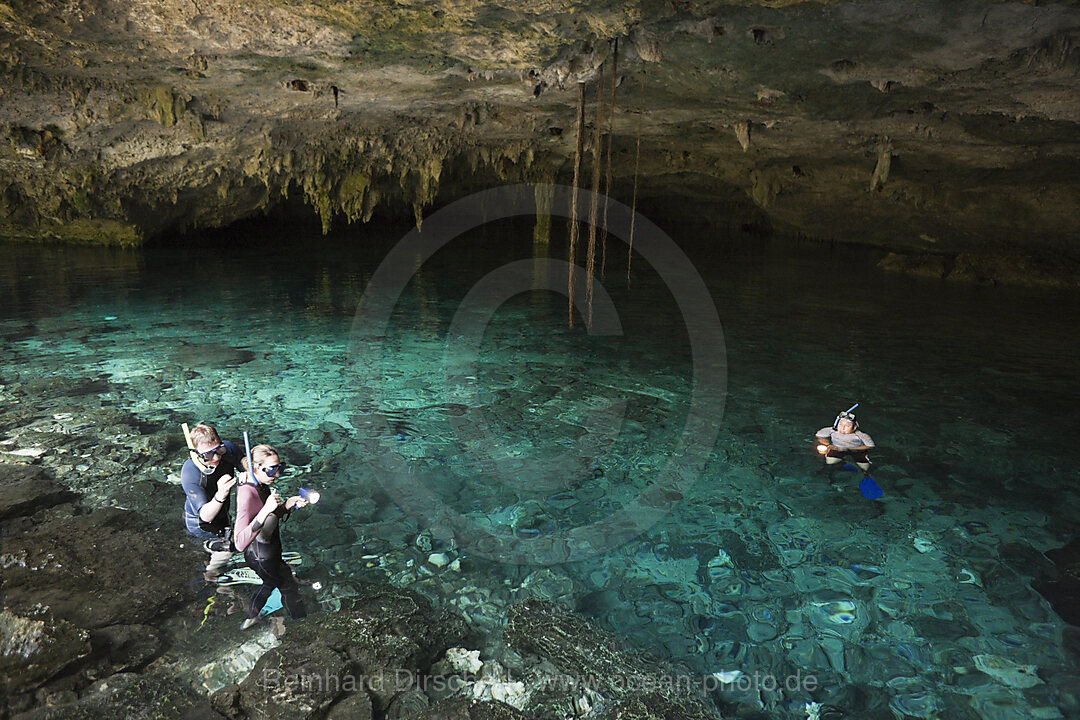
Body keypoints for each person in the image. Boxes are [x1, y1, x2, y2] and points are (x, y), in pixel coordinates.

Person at [233, 444, 308, 629]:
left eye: (279, 468)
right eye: (272, 470)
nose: (276, 475)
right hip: (261, 556)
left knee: (276, 581)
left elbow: (271, 517)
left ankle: (252, 615)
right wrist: (266, 509)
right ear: (256, 468)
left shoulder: (262, 483)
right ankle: (303, 625)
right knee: (285, 586)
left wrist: (288, 504)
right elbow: (240, 542)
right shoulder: (247, 494)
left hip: (270, 551)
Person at [180, 423, 240, 580]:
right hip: (200, 524)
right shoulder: (190, 473)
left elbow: (247, 465)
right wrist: (221, 494)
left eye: (219, 450)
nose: (216, 458)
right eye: (208, 455)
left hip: (222, 514)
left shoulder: (228, 449)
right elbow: (205, 516)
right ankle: (211, 574)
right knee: (228, 548)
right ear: (196, 454)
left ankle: (215, 550)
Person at [815, 405, 875, 477]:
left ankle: (866, 475)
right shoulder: (832, 430)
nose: (842, 428)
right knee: (829, 462)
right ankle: (838, 466)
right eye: (840, 424)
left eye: (847, 426)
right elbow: (819, 435)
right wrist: (826, 443)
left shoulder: (861, 435)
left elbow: (870, 446)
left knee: (865, 467)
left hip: (856, 451)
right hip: (837, 448)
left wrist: (850, 449)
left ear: (854, 427)